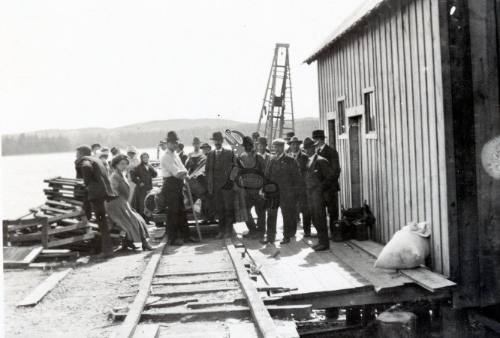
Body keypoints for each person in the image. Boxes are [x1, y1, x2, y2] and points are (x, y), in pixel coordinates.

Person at [75, 145, 115, 258]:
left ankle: (107, 251)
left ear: (82, 154)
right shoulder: (96, 159)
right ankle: (104, 249)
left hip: (96, 196)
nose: (76, 157)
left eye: (77, 155)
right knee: (101, 221)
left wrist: (86, 183)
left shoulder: (85, 161)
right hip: (102, 193)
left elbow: (86, 168)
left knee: (102, 222)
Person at [106, 154, 153, 251]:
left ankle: (131, 243)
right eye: (122, 164)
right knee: (134, 220)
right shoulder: (114, 176)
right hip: (115, 205)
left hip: (122, 202)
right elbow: (112, 190)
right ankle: (142, 243)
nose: (124, 166)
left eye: (125, 164)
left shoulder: (121, 174)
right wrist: (116, 193)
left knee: (139, 219)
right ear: (116, 164)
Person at [261, 138, 301, 245]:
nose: (276, 149)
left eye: (278, 147)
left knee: (286, 215)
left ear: (283, 147)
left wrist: (295, 194)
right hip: (273, 194)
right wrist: (264, 190)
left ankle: (286, 236)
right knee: (271, 215)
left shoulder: (290, 160)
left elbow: (297, 178)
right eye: (274, 147)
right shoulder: (271, 160)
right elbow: (267, 176)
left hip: (286, 194)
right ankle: (270, 238)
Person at [160, 132, 196, 245]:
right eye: (172, 143)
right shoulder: (166, 156)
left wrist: (185, 173)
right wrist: (184, 173)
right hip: (170, 185)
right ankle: (172, 238)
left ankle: (186, 236)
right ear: (167, 143)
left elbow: (183, 168)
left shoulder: (175, 154)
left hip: (178, 185)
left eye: (176, 142)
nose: (175, 145)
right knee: (172, 213)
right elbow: (176, 173)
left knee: (182, 211)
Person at [303, 137, 335, 251]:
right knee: (315, 219)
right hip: (310, 195)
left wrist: (320, 189)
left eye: (309, 148)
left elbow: (330, 177)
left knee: (320, 219)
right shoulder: (308, 161)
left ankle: (324, 243)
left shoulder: (321, 161)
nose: (307, 151)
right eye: (305, 148)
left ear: (314, 148)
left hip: (319, 196)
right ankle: (321, 241)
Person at [205, 131, 236, 239]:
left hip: (227, 187)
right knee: (219, 209)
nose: (217, 142)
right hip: (215, 187)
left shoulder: (229, 153)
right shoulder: (210, 154)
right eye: (215, 140)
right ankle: (221, 231)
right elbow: (207, 171)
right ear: (213, 142)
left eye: (219, 140)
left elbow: (235, 168)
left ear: (222, 141)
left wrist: (230, 181)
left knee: (228, 209)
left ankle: (229, 231)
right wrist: (210, 185)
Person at [312, 130, 341, 239]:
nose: (314, 142)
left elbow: (335, 171)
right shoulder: (315, 153)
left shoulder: (331, 152)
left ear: (319, 140)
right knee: (319, 212)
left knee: (332, 211)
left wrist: (323, 185)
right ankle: (322, 233)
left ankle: (334, 234)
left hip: (330, 188)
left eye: (314, 140)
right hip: (319, 189)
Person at [237, 136, 266, 239]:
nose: (247, 147)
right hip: (246, 190)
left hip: (258, 190)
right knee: (245, 211)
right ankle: (253, 230)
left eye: (248, 145)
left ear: (252, 145)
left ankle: (261, 232)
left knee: (260, 212)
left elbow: (265, 174)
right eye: (245, 145)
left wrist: (263, 189)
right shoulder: (241, 158)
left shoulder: (259, 158)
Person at [288, 136, 312, 237]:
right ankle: (292, 231)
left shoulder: (305, 157)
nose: (294, 146)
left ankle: (307, 231)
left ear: (299, 145)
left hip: (302, 188)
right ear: (290, 146)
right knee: (292, 210)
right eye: (292, 144)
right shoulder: (287, 157)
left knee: (305, 210)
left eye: (296, 144)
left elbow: (308, 173)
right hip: (291, 189)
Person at [130, 152, 158, 222]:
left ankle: (148, 219)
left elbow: (155, 175)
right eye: (144, 158)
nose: (145, 159)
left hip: (149, 187)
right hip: (141, 189)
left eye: (147, 157)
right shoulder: (138, 167)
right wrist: (139, 182)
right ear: (141, 159)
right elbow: (132, 175)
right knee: (142, 204)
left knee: (149, 203)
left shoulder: (149, 166)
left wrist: (152, 167)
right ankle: (143, 220)